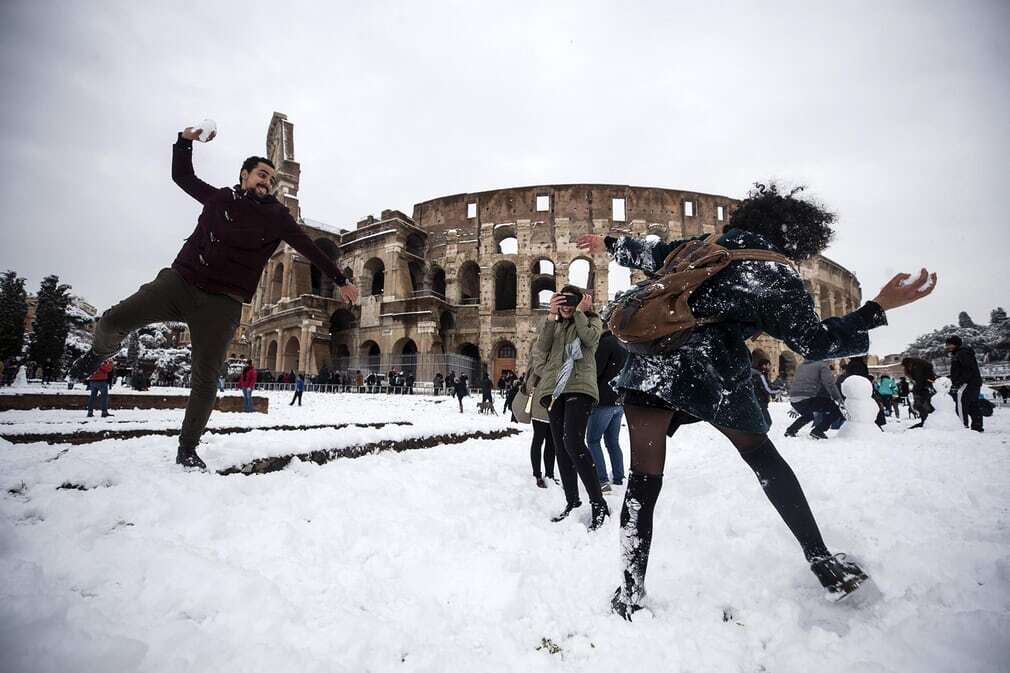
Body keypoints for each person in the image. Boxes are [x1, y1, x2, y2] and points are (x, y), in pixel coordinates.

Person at [576, 182, 937, 616]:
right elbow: (815, 342)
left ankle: (630, 592)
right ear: (797, 237)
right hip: (710, 371)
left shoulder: (697, 248)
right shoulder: (771, 271)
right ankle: (823, 562)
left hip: (649, 366)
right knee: (764, 459)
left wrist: (608, 243)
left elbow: (648, 253)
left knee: (643, 479)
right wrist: (876, 308)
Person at [533, 285, 608, 531]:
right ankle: (572, 502)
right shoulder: (555, 325)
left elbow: (590, 339)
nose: (566, 307)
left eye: (570, 303)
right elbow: (541, 349)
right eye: (562, 303)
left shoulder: (592, 320)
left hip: (579, 386)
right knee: (561, 448)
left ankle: (598, 503)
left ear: (579, 303)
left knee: (574, 442)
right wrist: (550, 315)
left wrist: (580, 313)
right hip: (554, 391)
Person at [587, 328, 629, 493]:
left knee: (593, 440)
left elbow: (595, 372)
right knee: (612, 441)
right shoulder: (625, 342)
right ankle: (619, 477)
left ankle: (602, 480)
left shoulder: (606, 343)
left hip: (604, 399)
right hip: (619, 399)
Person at [523, 339, 556, 487]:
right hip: (541, 396)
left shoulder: (558, 343)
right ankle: (537, 473)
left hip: (554, 397)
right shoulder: (539, 345)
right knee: (539, 437)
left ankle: (550, 474)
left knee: (552, 440)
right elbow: (537, 368)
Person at [784, 358, 845, 439]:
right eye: (830, 360)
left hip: (794, 399)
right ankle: (818, 431)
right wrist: (838, 399)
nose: (831, 363)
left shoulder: (801, 365)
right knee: (836, 409)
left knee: (808, 416)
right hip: (807, 399)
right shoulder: (822, 366)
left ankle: (791, 430)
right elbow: (829, 384)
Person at [945, 335, 984, 432]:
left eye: (949, 344)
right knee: (973, 405)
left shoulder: (962, 353)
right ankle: (977, 426)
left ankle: (962, 426)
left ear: (956, 344)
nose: (947, 347)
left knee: (961, 404)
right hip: (973, 383)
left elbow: (968, 369)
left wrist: (959, 382)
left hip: (967, 384)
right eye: (947, 344)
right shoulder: (963, 352)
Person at [750, 355, 777, 428]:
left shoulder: (755, 374)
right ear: (764, 366)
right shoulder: (760, 375)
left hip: (755, 402)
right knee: (767, 422)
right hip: (760, 403)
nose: (770, 367)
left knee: (760, 423)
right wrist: (779, 390)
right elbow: (768, 389)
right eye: (768, 365)